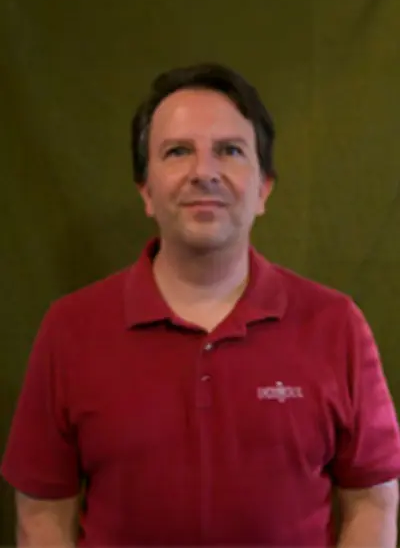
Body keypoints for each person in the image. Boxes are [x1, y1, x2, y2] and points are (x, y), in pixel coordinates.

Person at [2, 62, 400, 547]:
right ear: (146, 191)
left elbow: (372, 499)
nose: (203, 172)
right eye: (177, 151)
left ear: (264, 189)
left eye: (230, 151)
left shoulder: (337, 324)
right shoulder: (70, 327)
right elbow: (42, 512)